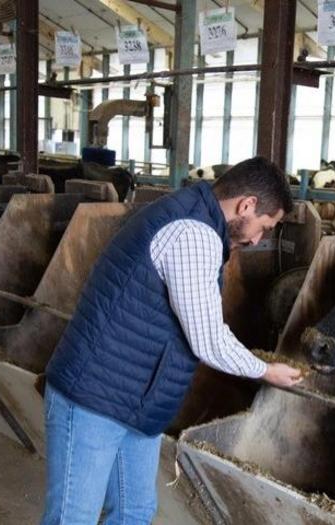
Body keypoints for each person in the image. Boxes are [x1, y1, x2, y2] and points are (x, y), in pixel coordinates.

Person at [41, 156, 302, 524]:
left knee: (135, 511)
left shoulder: (193, 215)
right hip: (95, 398)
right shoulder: (193, 234)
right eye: (265, 226)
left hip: (138, 401)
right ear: (247, 205)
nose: (259, 238)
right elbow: (207, 339)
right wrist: (265, 371)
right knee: (73, 517)